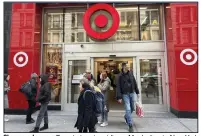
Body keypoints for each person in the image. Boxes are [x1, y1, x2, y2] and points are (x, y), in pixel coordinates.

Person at [116, 62, 140, 132]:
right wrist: (119, 97)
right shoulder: (119, 76)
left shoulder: (131, 73)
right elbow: (118, 87)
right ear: (123, 67)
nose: (129, 67)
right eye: (127, 66)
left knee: (132, 108)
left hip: (132, 93)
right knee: (128, 109)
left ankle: (126, 116)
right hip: (125, 94)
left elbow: (134, 83)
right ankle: (130, 124)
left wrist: (137, 92)